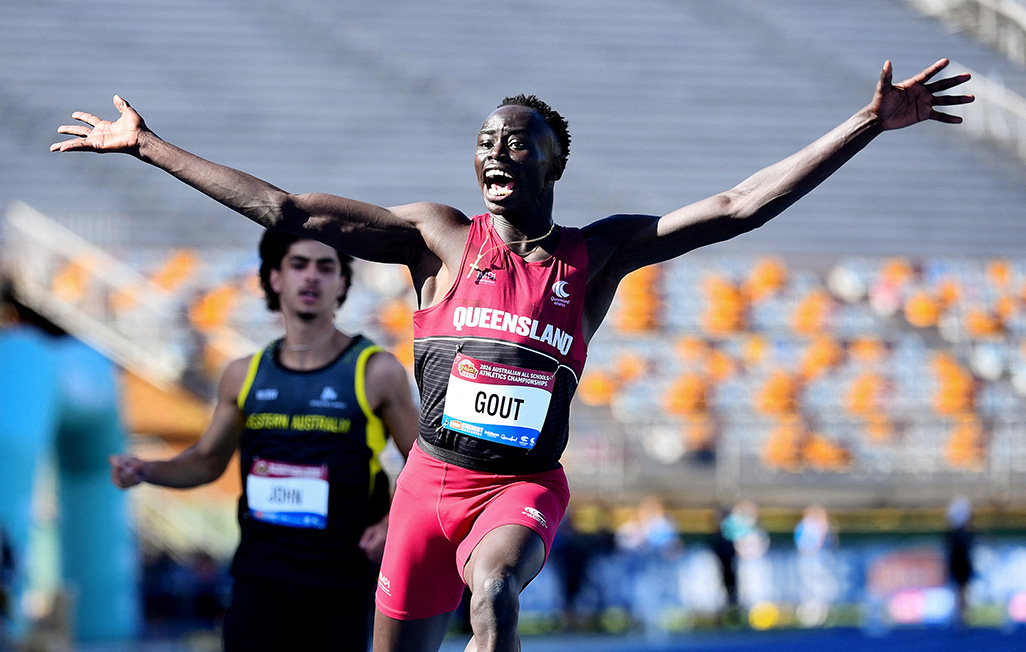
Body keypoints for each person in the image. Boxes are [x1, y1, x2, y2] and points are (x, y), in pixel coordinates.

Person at [53, 58, 973, 652]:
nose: (497, 150)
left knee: (491, 594)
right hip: (426, 491)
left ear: (551, 163)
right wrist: (148, 148)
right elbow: (290, 212)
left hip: (518, 490)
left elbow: (739, 208)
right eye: (487, 139)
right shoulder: (437, 241)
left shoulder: (597, 252)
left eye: (518, 140)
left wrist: (866, 123)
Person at [108, 230, 419, 652]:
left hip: (340, 577)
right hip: (260, 575)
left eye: (326, 267)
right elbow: (205, 462)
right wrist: (146, 470)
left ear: (343, 284)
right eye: (298, 265)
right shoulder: (243, 374)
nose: (311, 277)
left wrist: (389, 526)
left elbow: (424, 464)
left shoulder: (376, 371)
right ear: (274, 278)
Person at [945, 495, 974, 628]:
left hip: (960, 563)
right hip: (959, 564)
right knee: (960, 591)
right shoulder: (958, 534)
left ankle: (962, 617)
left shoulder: (958, 533)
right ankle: (961, 618)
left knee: (962, 592)